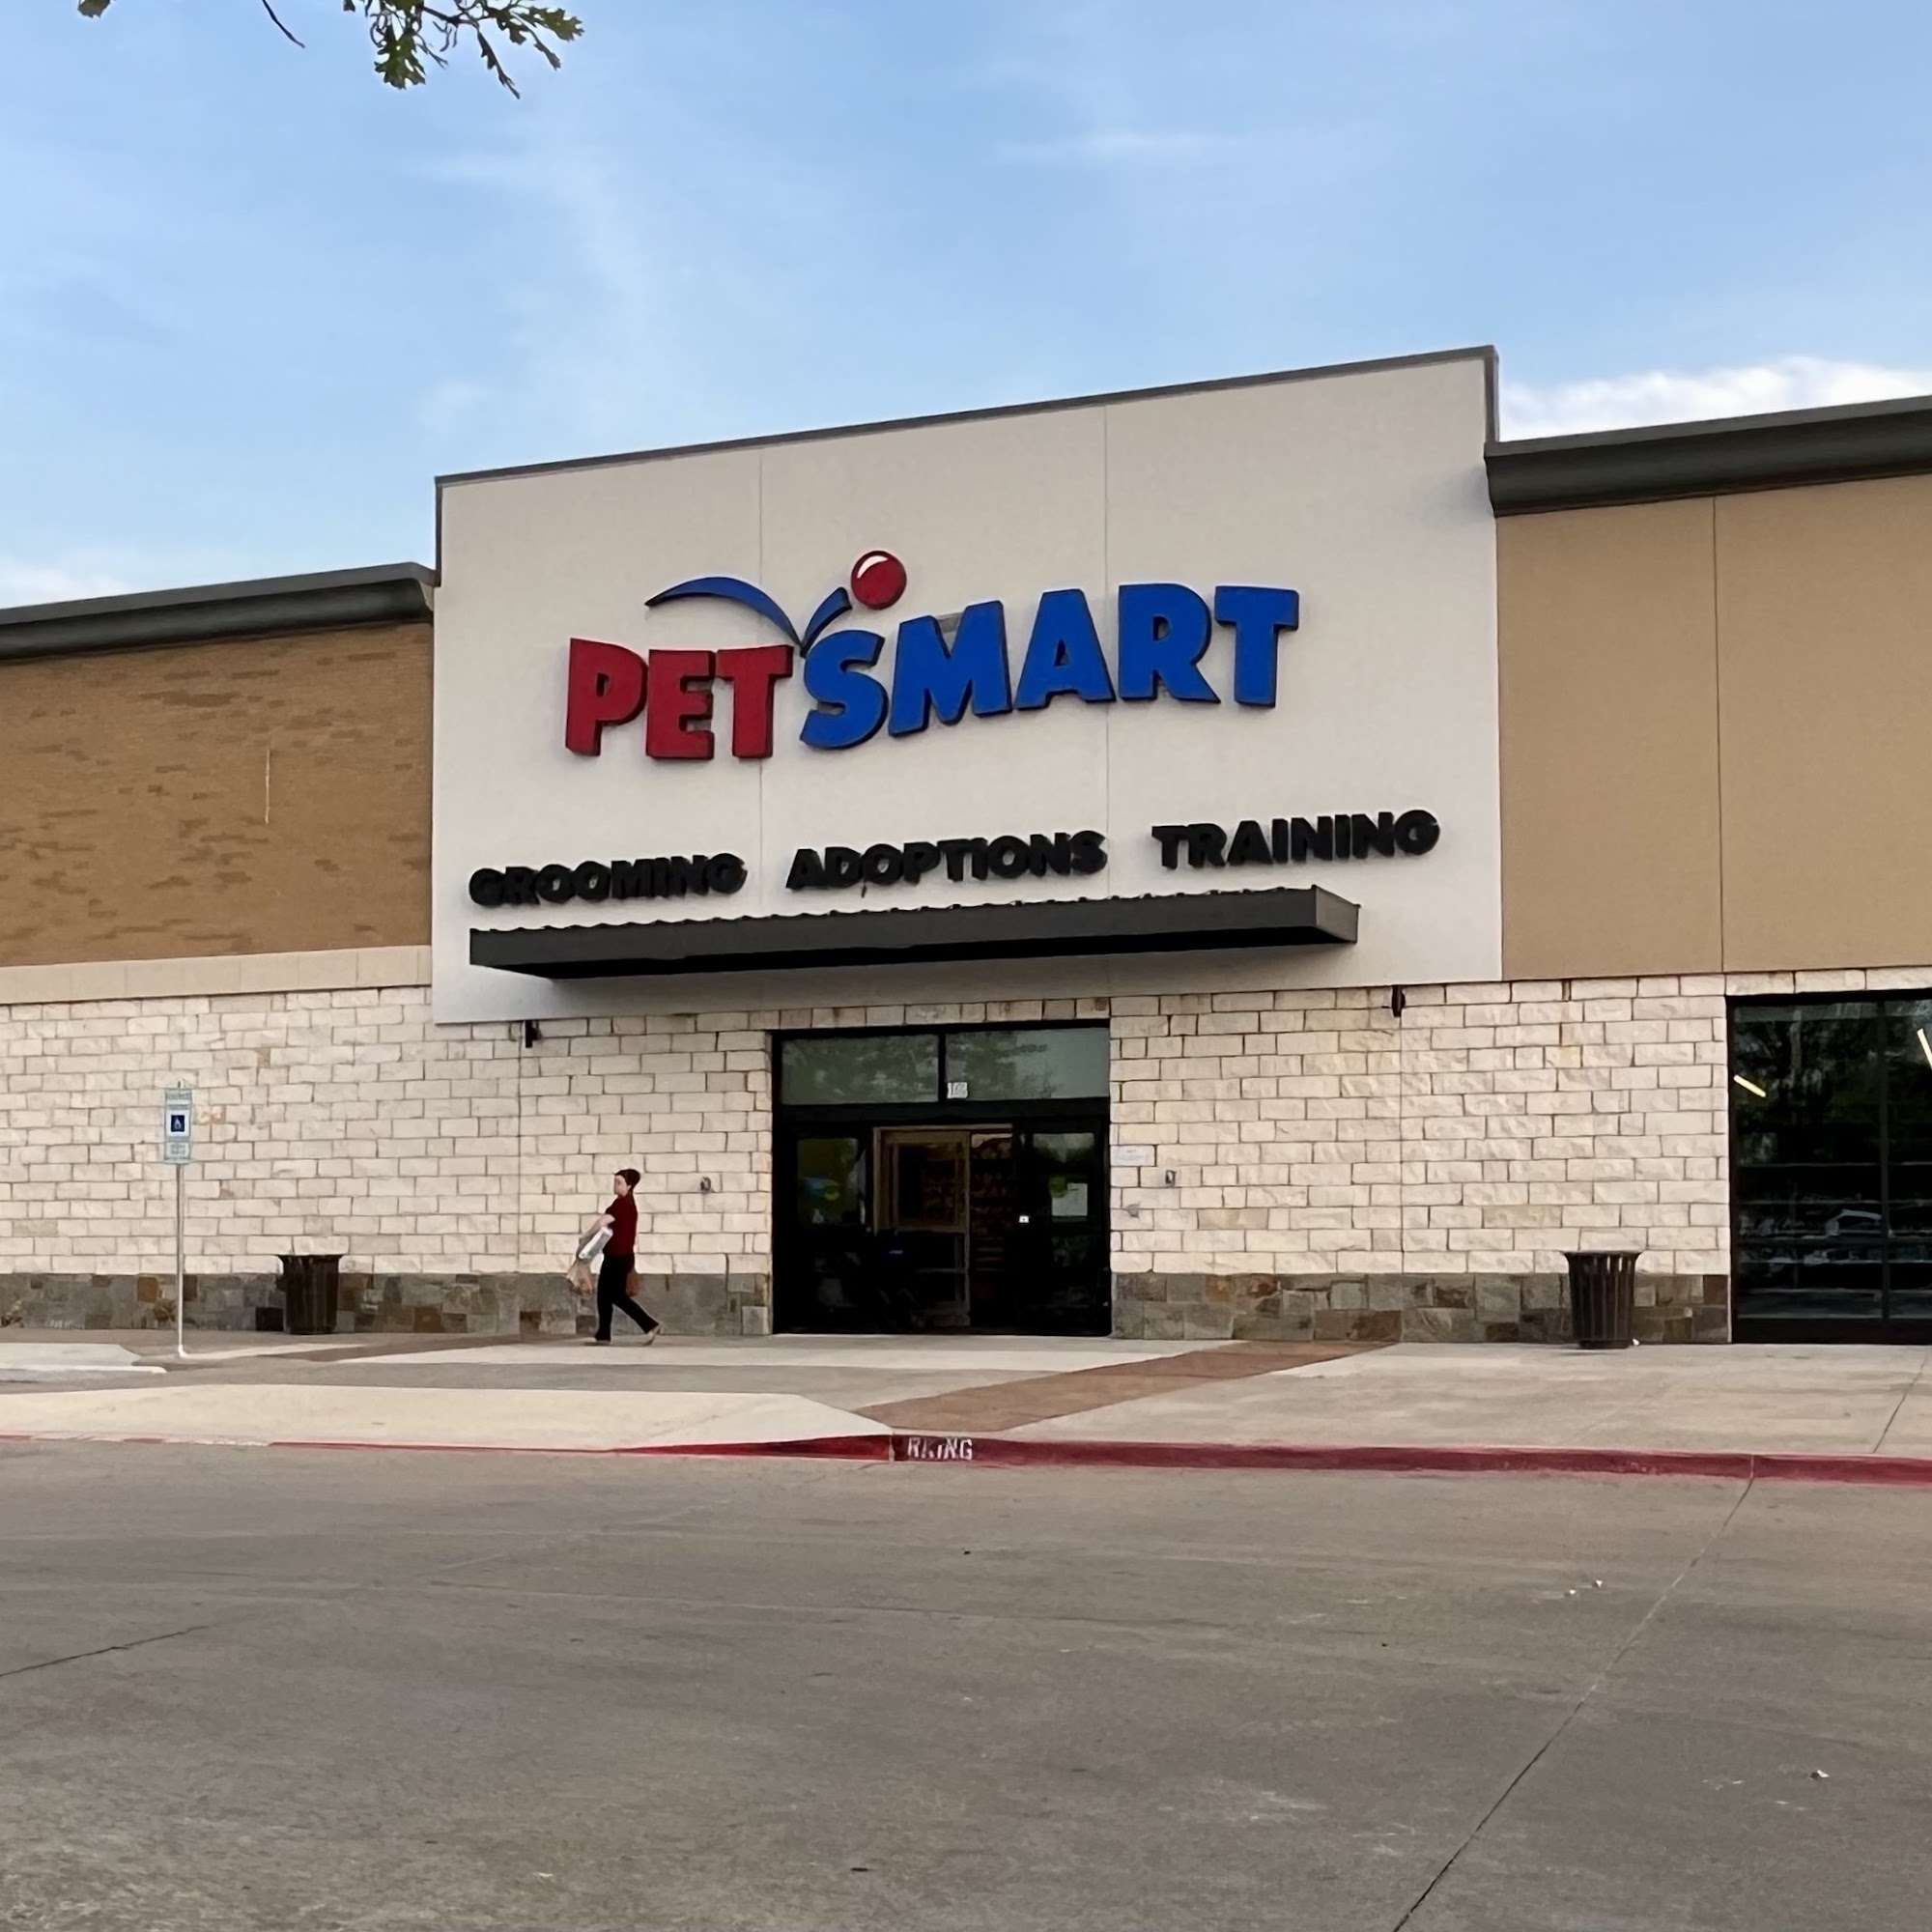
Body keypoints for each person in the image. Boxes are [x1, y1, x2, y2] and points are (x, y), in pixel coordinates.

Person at [587, 1168, 660, 1346]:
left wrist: (586, 1236)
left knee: (615, 1296)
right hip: (620, 1257)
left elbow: (602, 1222)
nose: (615, 1186)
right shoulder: (626, 1203)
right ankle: (603, 1334)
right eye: (615, 1182)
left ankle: (649, 1324)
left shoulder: (622, 1205)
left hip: (617, 1258)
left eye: (619, 1183)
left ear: (629, 1186)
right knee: (605, 1296)